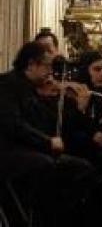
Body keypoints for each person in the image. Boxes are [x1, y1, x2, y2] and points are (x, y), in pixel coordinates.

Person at [0, 42, 95, 227]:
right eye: (47, 66)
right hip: (8, 152)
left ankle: (58, 218)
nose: (51, 72)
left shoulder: (33, 89)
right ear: (31, 65)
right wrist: (47, 142)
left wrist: (74, 106)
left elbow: (48, 122)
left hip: (29, 150)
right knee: (47, 166)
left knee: (83, 168)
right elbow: (14, 125)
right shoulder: (7, 85)